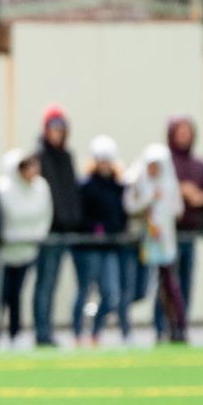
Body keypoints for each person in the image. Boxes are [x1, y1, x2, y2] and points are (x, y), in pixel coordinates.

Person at [125, 144, 187, 344]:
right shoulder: (139, 181)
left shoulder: (169, 184)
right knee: (142, 287)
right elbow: (130, 206)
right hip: (144, 244)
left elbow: (177, 210)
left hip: (165, 244)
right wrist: (148, 200)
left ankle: (175, 327)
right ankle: (148, 328)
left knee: (169, 286)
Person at [32, 106, 83, 346]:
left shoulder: (67, 157)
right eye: (54, 128)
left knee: (54, 284)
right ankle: (42, 332)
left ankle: (48, 330)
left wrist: (74, 221)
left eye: (61, 129)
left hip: (66, 231)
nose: (58, 133)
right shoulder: (40, 157)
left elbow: (71, 192)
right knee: (45, 283)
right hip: (49, 232)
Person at [0, 150, 51, 345]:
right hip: (3, 250)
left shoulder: (41, 187)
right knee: (1, 293)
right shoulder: (2, 188)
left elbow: (45, 216)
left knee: (17, 293)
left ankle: (15, 333)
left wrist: (36, 236)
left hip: (27, 249)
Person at [77, 136, 128, 344]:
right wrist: (94, 228)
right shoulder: (86, 185)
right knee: (84, 291)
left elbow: (122, 213)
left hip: (110, 247)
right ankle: (78, 332)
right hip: (90, 247)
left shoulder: (118, 185)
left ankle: (95, 330)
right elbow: (81, 214)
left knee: (111, 294)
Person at [164, 116, 203, 338]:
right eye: (180, 131)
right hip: (168, 234)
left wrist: (201, 196)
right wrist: (179, 191)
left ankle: (182, 327)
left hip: (190, 232)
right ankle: (164, 327)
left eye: (187, 132)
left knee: (186, 282)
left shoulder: (199, 164)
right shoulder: (165, 162)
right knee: (167, 283)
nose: (184, 136)